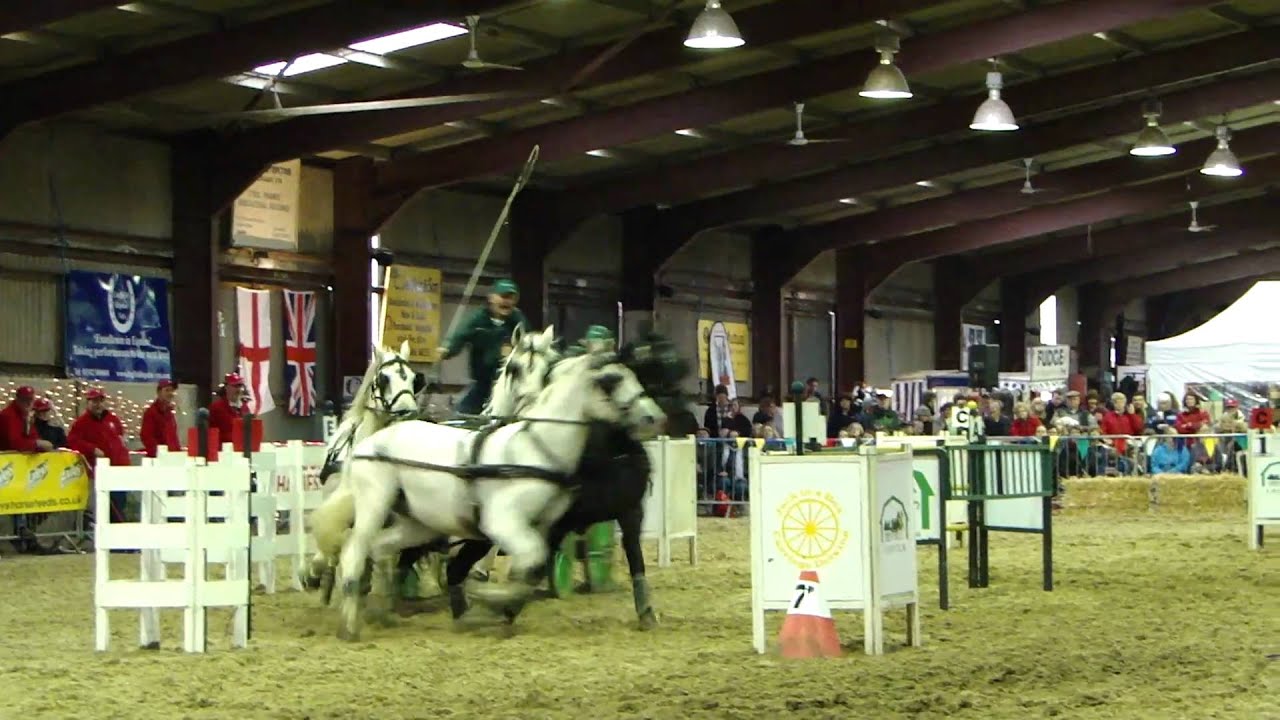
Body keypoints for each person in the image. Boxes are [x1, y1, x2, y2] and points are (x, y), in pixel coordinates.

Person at [437, 279, 528, 415]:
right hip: (482, 383)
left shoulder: (518, 320)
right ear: (491, 298)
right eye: (503, 297)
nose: (507, 302)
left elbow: (530, 341)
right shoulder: (478, 319)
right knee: (461, 415)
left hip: (509, 384)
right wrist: (448, 350)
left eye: (511, 298)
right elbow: (460, 336)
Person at [67, 388, 133, 522]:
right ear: (88, 403)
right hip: (100, 471)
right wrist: (92, 449)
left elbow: (120, 437)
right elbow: (73, 441)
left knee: (119, 504)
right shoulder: (81, 423)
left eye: (100, 401)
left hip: (119, 469)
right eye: (95, 401)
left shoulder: (112, 419)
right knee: (107, 507)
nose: (98, 404)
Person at [0, 385, 52, 452]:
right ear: (18, 399)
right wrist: (36, 444)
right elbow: (14, 443)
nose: (28, 403)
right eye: (24, 400)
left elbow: (33, 436)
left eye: (31, 400)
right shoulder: (8, 416)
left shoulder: (25, 415)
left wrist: (39, 444)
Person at [141, 379, 181, 457]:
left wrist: (177, 453)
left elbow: (173, 437)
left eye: (172, 390)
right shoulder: (151, 413)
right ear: (159, 392)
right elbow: (146, 436)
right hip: (160, 460)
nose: (170, 393)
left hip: (173, 459)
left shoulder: (169, 413)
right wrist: (159, 454)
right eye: (167, 390)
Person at [208, 373, 249, 444]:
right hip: (223, 450)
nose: (238, 389)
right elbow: (210, 432)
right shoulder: (216, 407)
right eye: (235, 386)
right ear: (227, 387)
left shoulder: (246, 408)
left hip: (242, 449)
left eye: (240, 386)